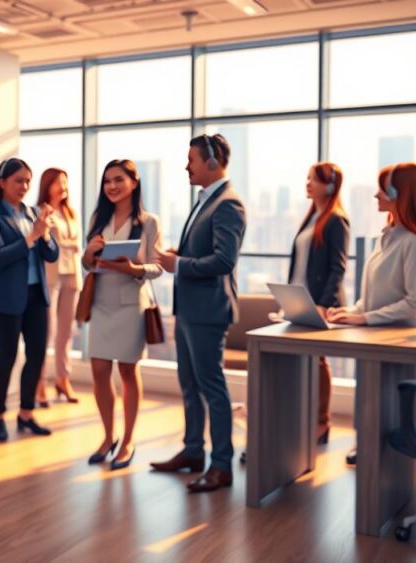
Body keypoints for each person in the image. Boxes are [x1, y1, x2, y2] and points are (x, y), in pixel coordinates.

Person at [326, 162, 416, 465]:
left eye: (383, 189)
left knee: (388, 408)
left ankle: (386, 465)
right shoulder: (387, 238)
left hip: (405, 343)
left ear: (400, 194)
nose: (377, 195)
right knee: (371, 400)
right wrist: (350, 311)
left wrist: (363, 318)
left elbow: (414, 303)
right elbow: (373, 297)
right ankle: (368, 447)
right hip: (379, 338)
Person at [152, 133, 246, 493]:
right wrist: (180, 256)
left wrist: (180, 264)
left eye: (191, 160)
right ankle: (193, 452)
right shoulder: (206, 200)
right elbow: (204, 251)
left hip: (208, 311)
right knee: (189, 384)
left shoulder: (228, 203)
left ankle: (221, 465)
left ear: (211, 162)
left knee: (211, 387)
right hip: (190, 308)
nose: (186, 166)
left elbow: (224, 261)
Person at [80, 160, 163, 470]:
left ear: (134, 182)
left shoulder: (149, 222)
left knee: (128, 372)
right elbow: (86, 264)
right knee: (99, 370)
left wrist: (134, 269)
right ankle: (107, 437)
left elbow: (157, 266)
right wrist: (89, 254)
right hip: (100, 302)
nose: (111, 186)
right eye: (107, 181)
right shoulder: (98, 219)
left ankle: (127, 440)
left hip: (130, 305)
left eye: (118, 180)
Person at [0, 157, 59, 441]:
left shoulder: (32, 213)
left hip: (36, 295)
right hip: (5, 298)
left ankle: (26, 414)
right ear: (2, 183)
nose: (24, 186)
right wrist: (31, 237)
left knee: (36, 355)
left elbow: (52, 255)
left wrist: (44, 235)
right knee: (7, 356)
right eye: (18, 181)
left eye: (27, 181)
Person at [288, 162, 349, 445]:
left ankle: (322, 422)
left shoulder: (336, 220)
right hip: (300, 299)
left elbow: (338, 267)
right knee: (303, 359)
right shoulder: (312, 217)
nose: (308, 183)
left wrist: (324, 304)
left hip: (321, 303)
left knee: (318, 359)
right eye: (307, 178)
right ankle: (303, 417)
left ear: (329, 185)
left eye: (313, 179)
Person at [35, 168, 82, 407]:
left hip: (72, 275)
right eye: (58, 183)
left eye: (65, 182)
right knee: (46, 333)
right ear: (47, 185)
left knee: (66, 333)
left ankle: (63, 379)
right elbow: (45, 243)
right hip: (51, 276)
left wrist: (68, 244)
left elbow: (77, 244)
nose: (63, 187)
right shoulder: (41, 212)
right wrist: (69, 244)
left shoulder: (71, 212)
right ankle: (39, 382)